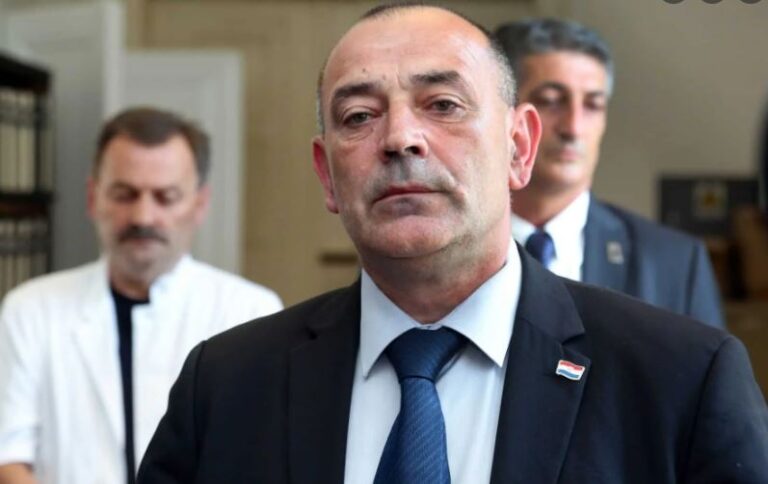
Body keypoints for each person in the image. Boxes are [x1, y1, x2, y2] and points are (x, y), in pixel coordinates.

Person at [137, 4, 768, 483]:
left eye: (442, 104)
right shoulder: (226, 386)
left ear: (519, 148)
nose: (400, 138)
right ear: (327, 174)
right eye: (359, 116)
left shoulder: (681, 381)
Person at [0, 107, 283, 484]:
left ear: (199, 204)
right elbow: (9, 458)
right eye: (124, 194)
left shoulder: (252, 313)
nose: (143, 217)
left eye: (165, 197)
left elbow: (261, 461)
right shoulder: (30, 310)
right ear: (92, 197)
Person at [495, 19, 725, 328]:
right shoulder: (445, 247)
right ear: (503, 112)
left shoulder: (674, 262)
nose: (574, 127)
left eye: (593, 105)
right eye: (550, 101)